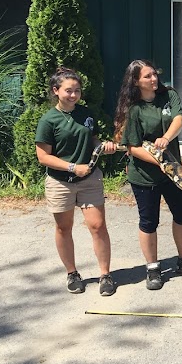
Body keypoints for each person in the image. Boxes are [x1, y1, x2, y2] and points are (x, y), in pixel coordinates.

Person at [114, 59, 182, 291]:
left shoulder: (169, 95)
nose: (153, 79)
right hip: (144, 176)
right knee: (149, 221)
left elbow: (178, 119)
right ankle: (153, 267)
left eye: (154, 74)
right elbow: (132, 147)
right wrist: (159, 160)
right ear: (136, 81)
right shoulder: (134, 109)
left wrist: (166, 138)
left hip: (172, 172)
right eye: (147, 76)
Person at [34, 67, 117, 296]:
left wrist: (104, 147)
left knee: (98, 226)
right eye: (68, 91)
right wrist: (72, 167)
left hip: (89, 179)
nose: (73, 95)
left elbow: (93, 141)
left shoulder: (87, 114)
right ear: (56, 90)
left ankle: (105, 275)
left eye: (77, 91)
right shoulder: (48, 120)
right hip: (60, 182)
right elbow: (43, 157)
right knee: (63, 227)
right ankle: (72, 273)